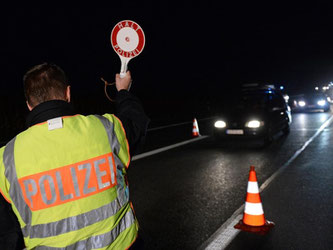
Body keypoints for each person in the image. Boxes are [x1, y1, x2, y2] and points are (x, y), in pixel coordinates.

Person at [0, 63, 149, 249]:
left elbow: (7, 234)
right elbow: (136, 122)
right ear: (68, 94)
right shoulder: (105, 129)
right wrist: (123, 91)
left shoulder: (7, 158)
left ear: (29, 105)